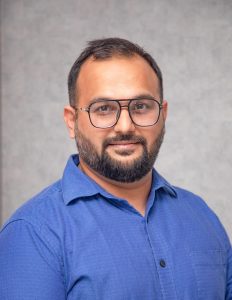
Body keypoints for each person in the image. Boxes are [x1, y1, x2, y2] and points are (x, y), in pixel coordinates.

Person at [0, 37, 231, 300]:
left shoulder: (201, 216)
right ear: (72, 121)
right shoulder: (32, 234)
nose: (124, 126)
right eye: (104, 109)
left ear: (163, 115)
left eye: (141, 107)